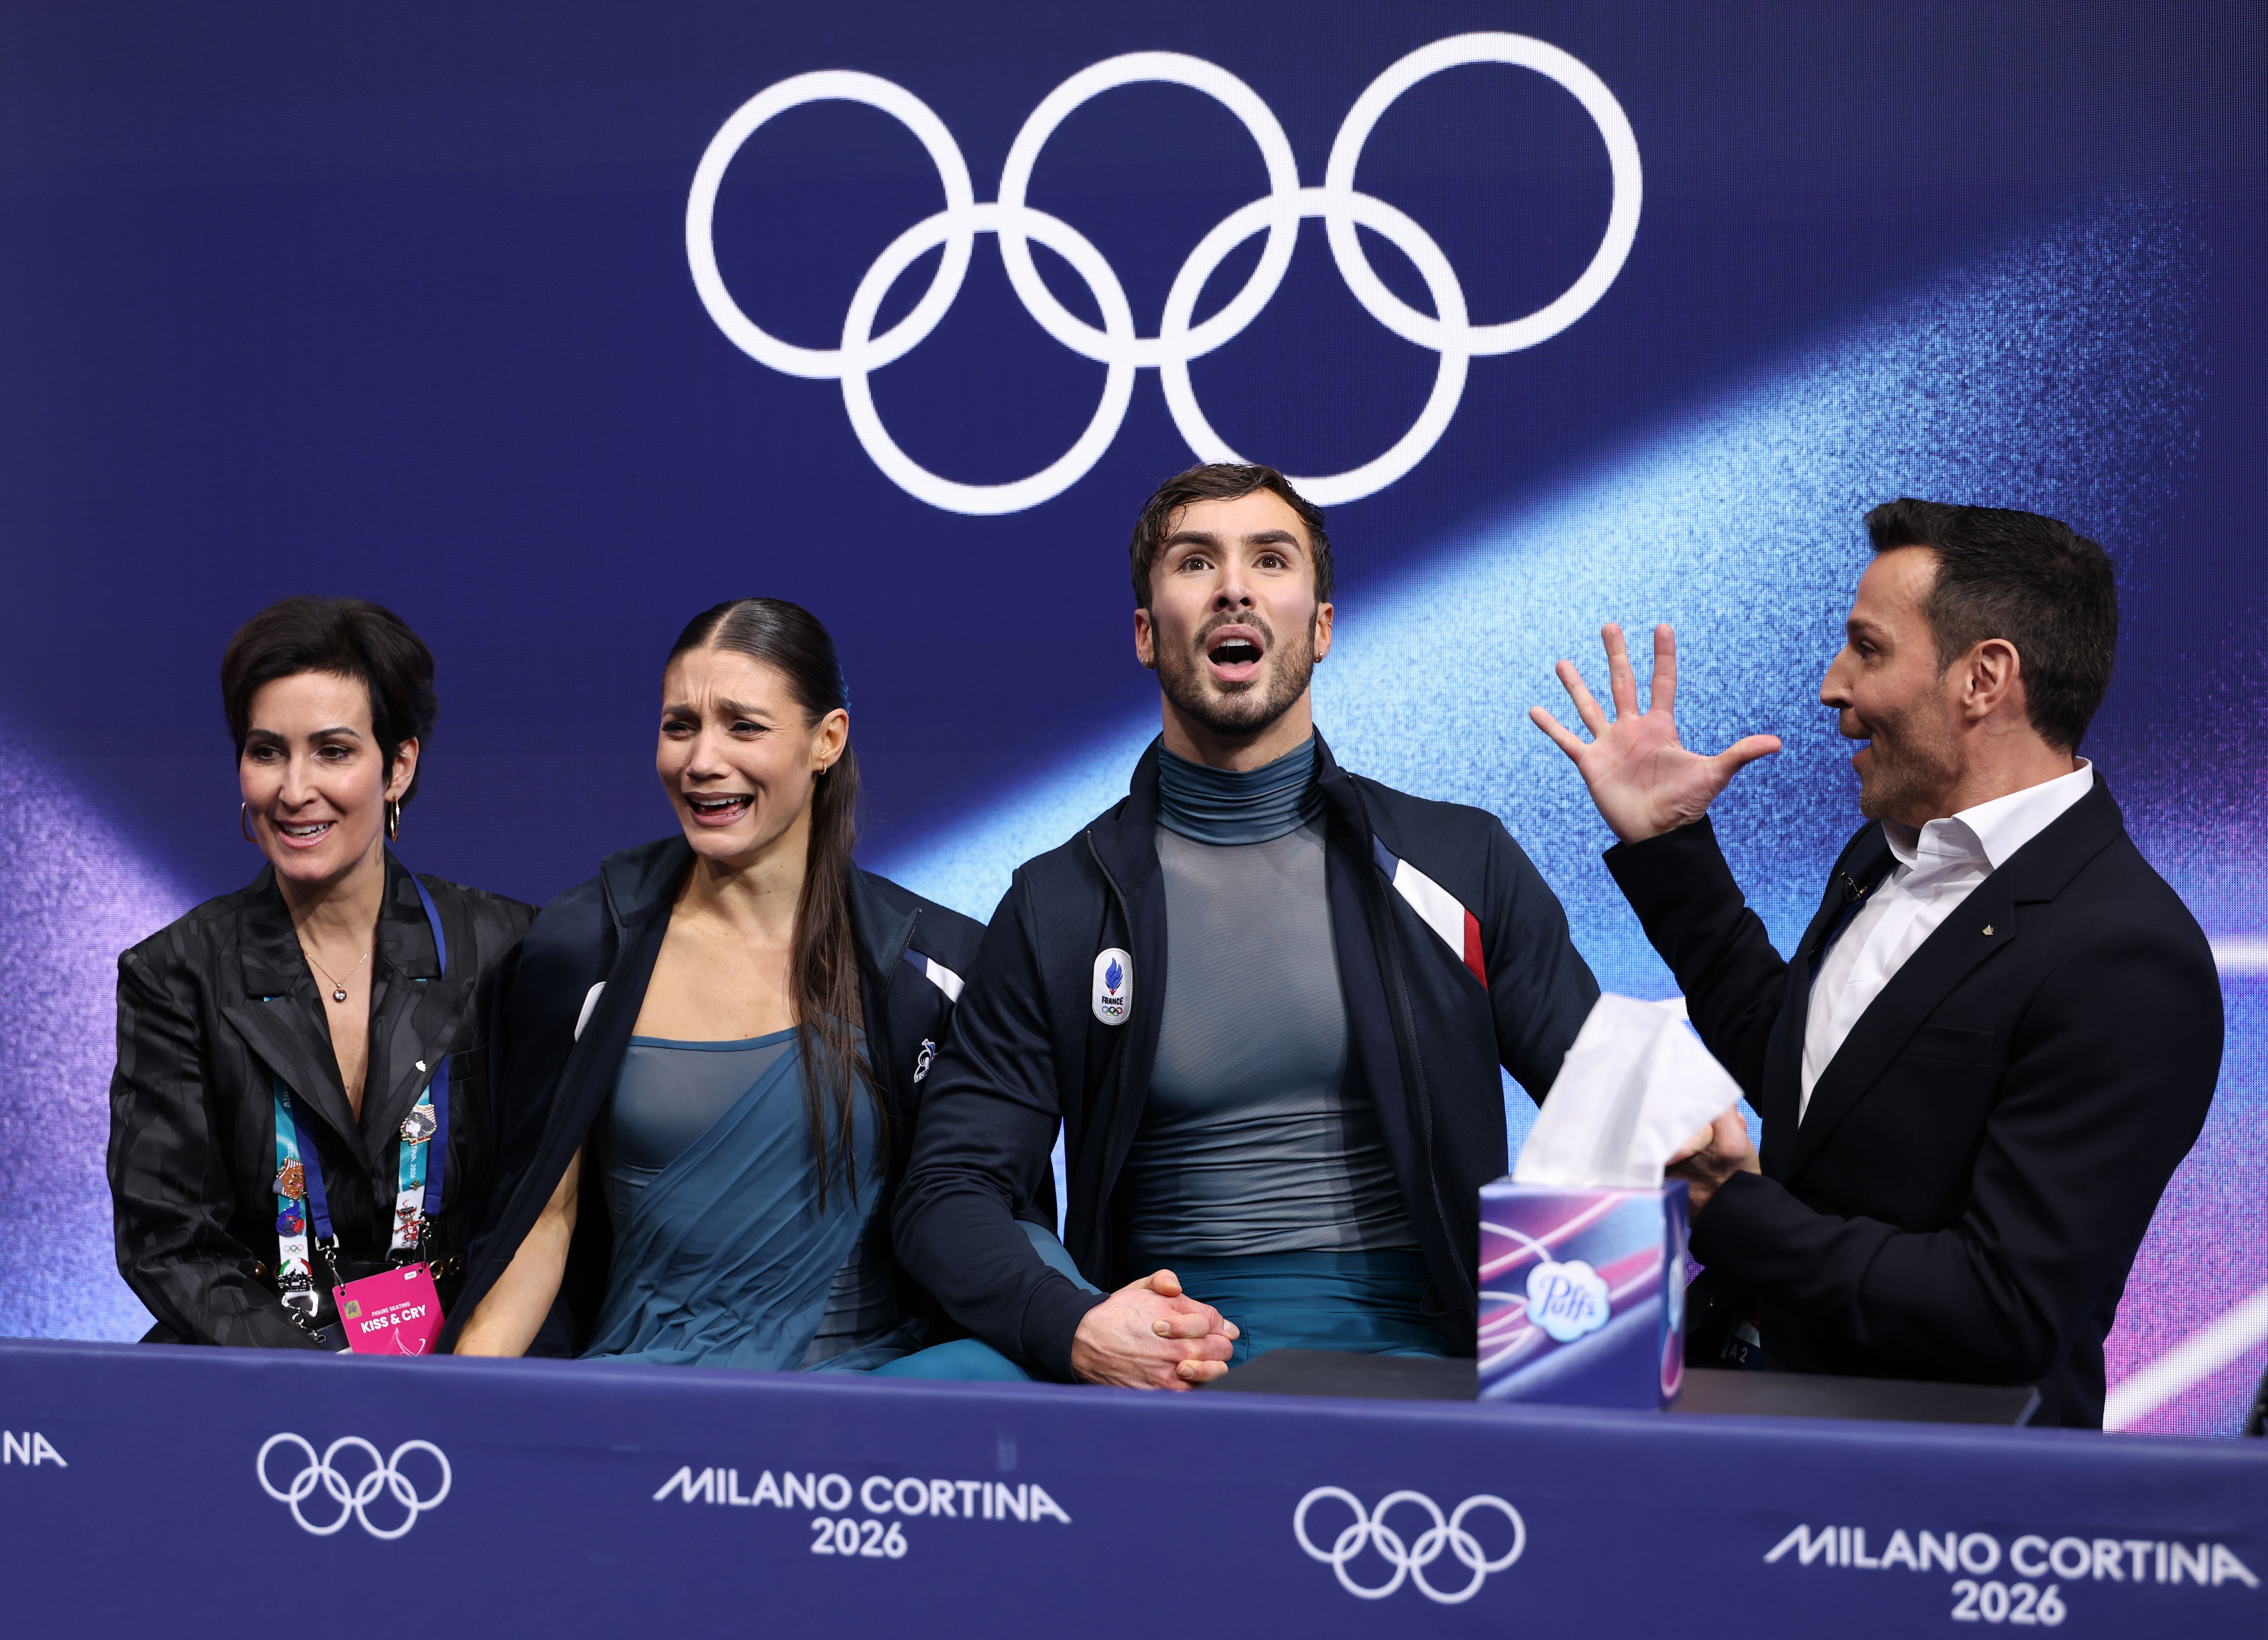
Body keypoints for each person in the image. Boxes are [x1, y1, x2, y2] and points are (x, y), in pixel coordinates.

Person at [883, 463, 1600, 1388]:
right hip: (1154, 1355)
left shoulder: (1460, 861)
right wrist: (1078, 1322)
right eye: (1193, 562)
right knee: (918, 1394)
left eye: (1269, 558)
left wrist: (1666, 852)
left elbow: (1608, 1108)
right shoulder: (1056, 902)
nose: (1232, 585)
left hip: (1418, 1355)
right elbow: (947, 1189)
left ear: (1322, 625)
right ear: (1146, 634)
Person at [1531, 498, 2223, 1429]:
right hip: (1741, 1422)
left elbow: (2000, 1307)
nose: (1830, 684)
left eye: (1866, 648)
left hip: (1917, 1511)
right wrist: (1668, 847)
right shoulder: (1881, 856)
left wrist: (1730, 1208)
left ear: (1983, 678)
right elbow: (1811, 1076)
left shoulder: (2128, 959)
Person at [446, 599, 983, 1370]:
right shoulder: (579, 947)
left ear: (826, 740)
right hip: (654, 1390)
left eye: (743, 726)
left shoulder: (934, 962)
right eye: (678, 726)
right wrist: (463, 1395)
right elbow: (541, 1219)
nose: (700, 760)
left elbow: (984, 1214)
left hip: (873, 1400)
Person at [108, 596, 535, 1349]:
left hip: (469, 1361)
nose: (294, 789)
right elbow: (169, 1240)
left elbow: (539, 1207)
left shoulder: (505, 946)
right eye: (266, 750)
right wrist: (317, 1383)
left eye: (333, 751)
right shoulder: (175, 971)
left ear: (398, 764)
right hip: (250, 1371)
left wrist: (473, 1362)